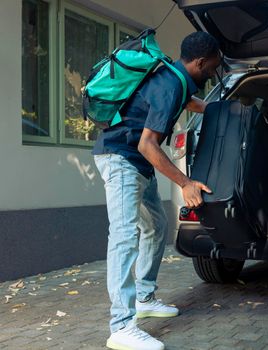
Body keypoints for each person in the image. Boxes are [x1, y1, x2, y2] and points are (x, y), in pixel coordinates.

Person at [92, 32, 221, 350]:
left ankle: (144, 298)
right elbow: (147, 143)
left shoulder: (177, 79)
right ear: (200, 63)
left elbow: (189, 102)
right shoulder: (170, 83)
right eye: (212, 69)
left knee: (155, 226)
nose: (213, 74)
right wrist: (185, 183)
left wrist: (220, 110)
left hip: (138, 163)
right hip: (121, 158)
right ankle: (121, 325)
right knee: (124, 237)